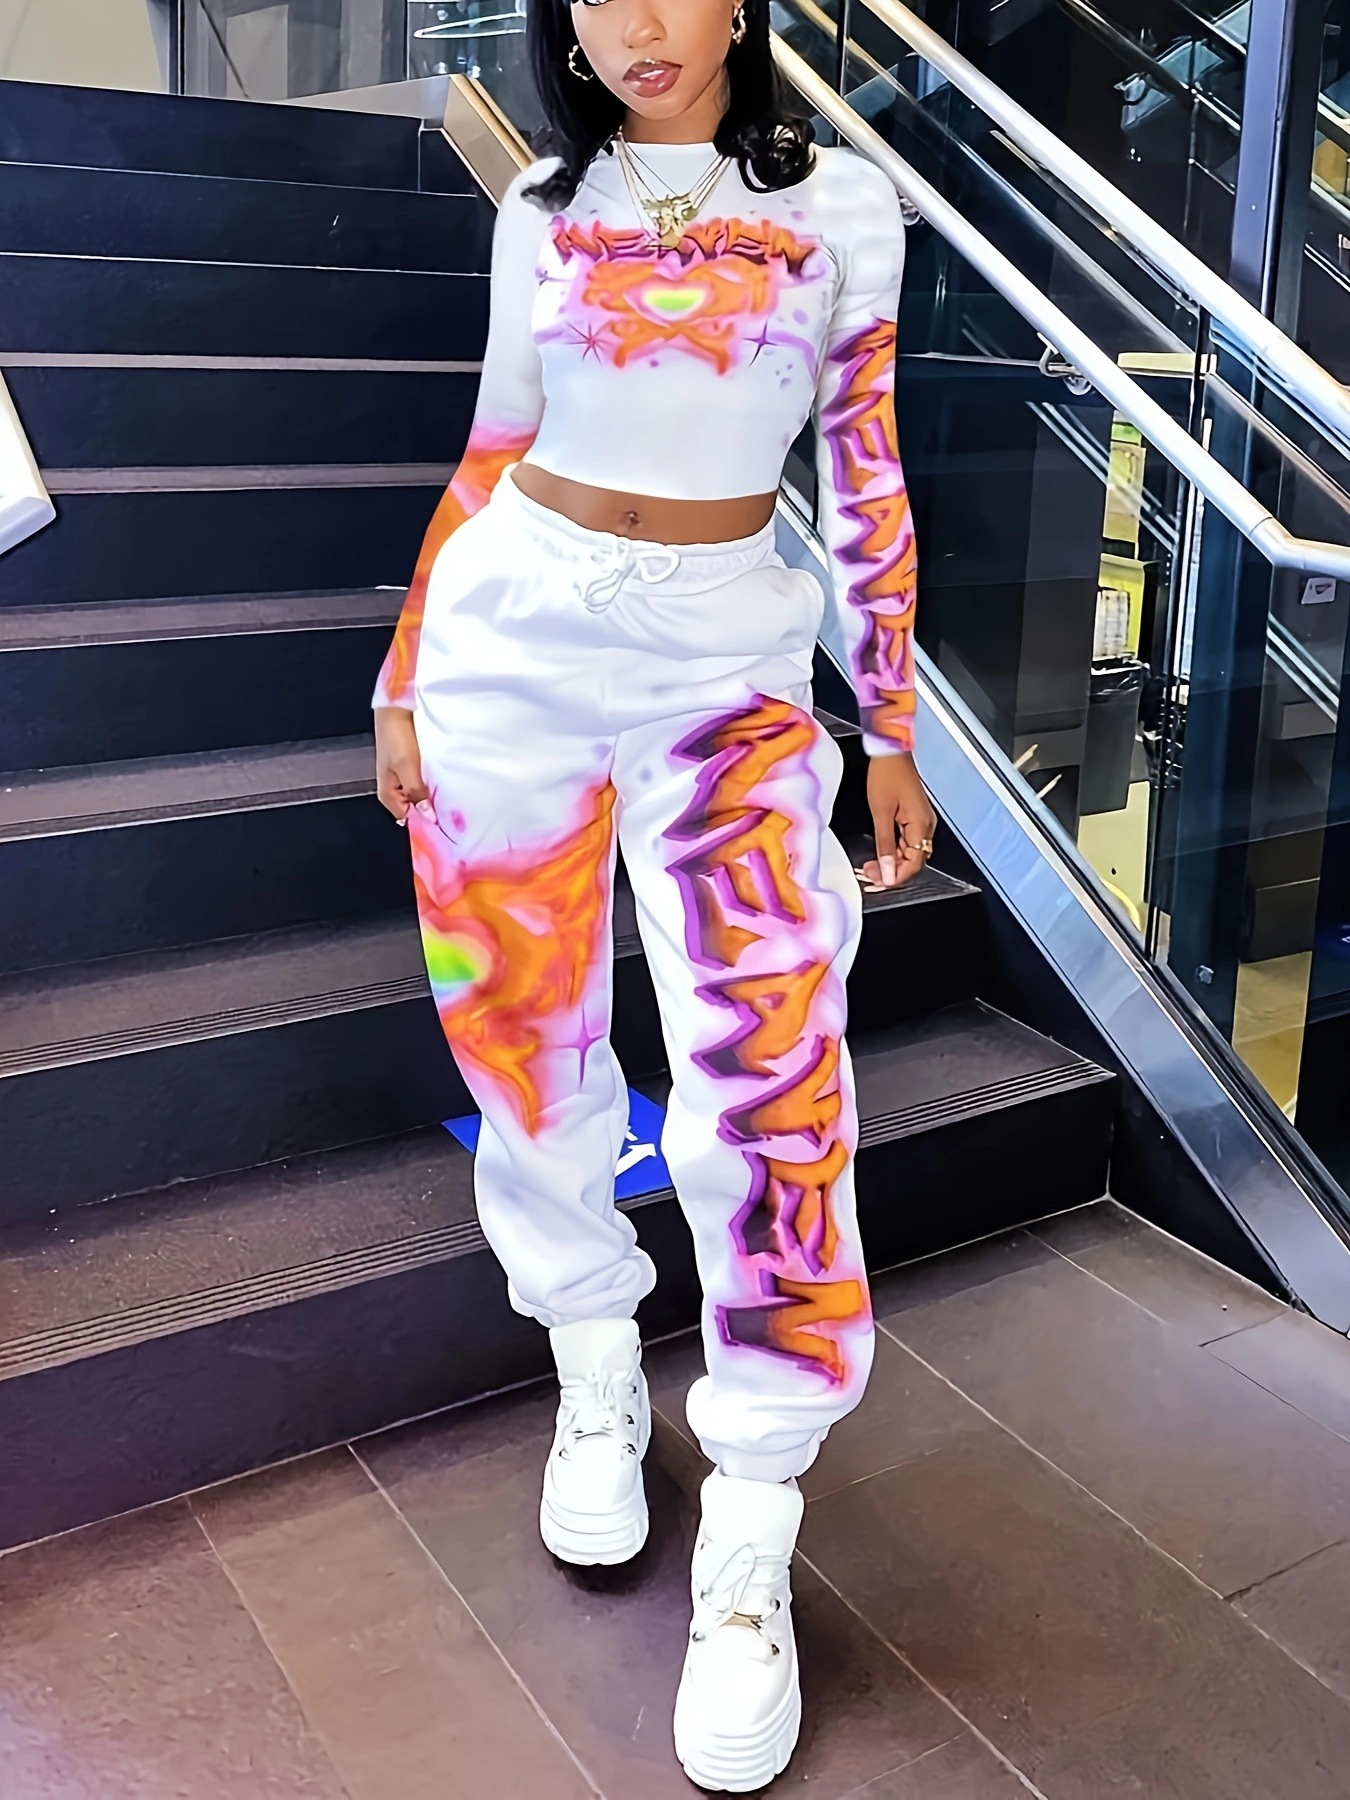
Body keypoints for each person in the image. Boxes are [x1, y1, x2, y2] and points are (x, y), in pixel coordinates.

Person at [373, 0, 934, 1785]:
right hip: (507, 638)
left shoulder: (841, 204)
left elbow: (860, 466)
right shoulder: (540, 204)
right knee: (521, 1039)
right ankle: (595, 1357)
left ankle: (754, 1513)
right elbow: (491, 439)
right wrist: (400, 674)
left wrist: (891, 721)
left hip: (729, 667)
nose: (636, 23)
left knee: (771, 1069)